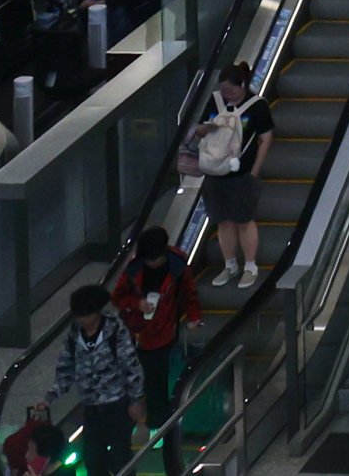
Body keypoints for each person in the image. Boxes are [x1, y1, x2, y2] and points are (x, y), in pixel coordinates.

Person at [109, 223, 204, 416]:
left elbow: (189, 295)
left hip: (162, 332)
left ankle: (157, 424)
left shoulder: (178, 267)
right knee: (132, 380)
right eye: (148, 260)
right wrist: (137, 304)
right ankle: (139, 420)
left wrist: (194, 318)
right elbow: (117, 297)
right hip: (133, 332)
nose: (151, 263)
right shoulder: (134, 269)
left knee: (156, 381)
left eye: (154, 259)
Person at [52, 277, 145, 462]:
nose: (80, 319)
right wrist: (51, 396)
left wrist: (135, 400)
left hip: (117, 405)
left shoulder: (115, 330)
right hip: (91, 407)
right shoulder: (74, 334)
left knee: (120, 456)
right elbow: (65, 366)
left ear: (95, 312)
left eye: (84, 315)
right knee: (93, 458)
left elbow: (131, 365)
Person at [191, 61, 267, 286]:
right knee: (222, 220)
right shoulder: (215, 102)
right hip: (215, 173)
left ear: (241, 85)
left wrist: (254, 171)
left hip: (241, 174)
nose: (226, 94)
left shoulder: (256, 105)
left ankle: (250, 266)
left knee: (244, 219)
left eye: (230, 89)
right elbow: (200, 130)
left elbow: (265, 138)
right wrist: (209, 127)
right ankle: (230, 265)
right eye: (223, 89)